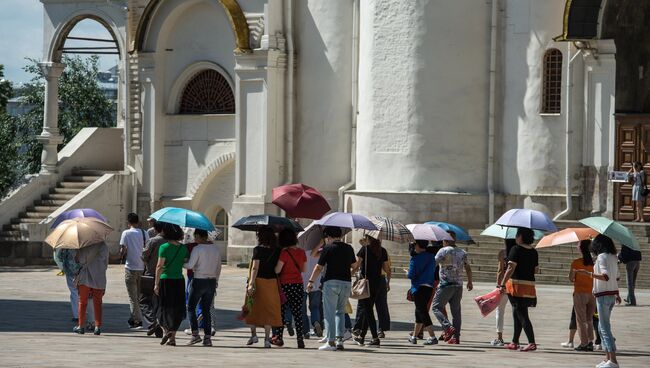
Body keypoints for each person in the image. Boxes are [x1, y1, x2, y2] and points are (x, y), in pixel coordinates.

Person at [575, 234, 622, 368]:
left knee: (604, 328)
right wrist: (617, 293)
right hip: (611, 294)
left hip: (603, 295)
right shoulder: (613, 256)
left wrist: (587, 273)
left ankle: (613, 360)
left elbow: (606, 276)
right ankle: (608, 358)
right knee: (602, 328)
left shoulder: (602, 257)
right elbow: (616, 277)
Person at [306, 226, 356, 351]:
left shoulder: (328, 248)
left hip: (331, 282)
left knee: (329, 313)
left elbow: (319, 267)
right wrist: (348, 273)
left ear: (328, 236)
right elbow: (355, 265)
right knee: (340, 312)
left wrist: (311, 281)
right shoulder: (349, 248)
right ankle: (339, 340)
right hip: (346, 283)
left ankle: (331, 341)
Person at [499, 227, 539, 352]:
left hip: (516, 286)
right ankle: (514, 341)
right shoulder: (534, 251)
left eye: (517, 235)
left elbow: (510, 269)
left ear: (521, 236)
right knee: (517, 312)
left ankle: (531, 342)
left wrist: (502, 283)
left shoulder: (515, 249)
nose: (516, 237)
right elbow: (536, 270)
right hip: (529, 286)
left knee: (522, 315)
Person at [431, 231, 473, 344]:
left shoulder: (443, 251)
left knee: (436, 307)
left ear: (447, 240)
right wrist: (470, 282)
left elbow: (433, 264)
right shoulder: (462, 252)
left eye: (444, 239)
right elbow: (468, 268)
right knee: (456, 312)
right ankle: (456, 337)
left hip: (446, 284)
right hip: (458, 285)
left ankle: (447, 327)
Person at [244, 226, 283, 348]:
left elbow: (255, 268)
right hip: (271, 283)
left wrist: (251, 283)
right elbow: (277, 269)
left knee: (251, 307)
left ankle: (254, 335)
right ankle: (267, 340)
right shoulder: (277, 250)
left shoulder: (258, 250)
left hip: (258, 282)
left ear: (260, 236)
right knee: (268, 311)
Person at [184, 229, 222, 347]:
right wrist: (216, 280)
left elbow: (190, 265)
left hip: (199, 280)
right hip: (211, 281)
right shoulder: (215, 249)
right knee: (206, 310)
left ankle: (195, 334)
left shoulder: (197, 249)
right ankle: (207, 338)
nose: (194, 239)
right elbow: (219, 267)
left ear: (200, 236)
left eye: (195, 236)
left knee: (191, 307)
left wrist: (182, 262)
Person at [351, 234, 390, 347]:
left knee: (368, 311)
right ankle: (362, 337)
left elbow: (356, 266)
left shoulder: (365, 250)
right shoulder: (382, 251)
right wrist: (388, 281)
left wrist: (349, 274)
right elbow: (386, 269)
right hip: (378, 283)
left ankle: (375, 338)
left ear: (369, 239)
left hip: (366, 283)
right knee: (368, 309)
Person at [154, 223, 188, 346]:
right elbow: (184, 262)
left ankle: (166, 331)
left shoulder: (164, 247)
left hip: (165, 280)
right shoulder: (183, 248)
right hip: (179, 280)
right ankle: (172, 336)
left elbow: (159, 266)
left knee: (163, 307)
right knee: (177, 308)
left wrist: (156, 284)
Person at [272, 229, 307, 348]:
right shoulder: (302, 252)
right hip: (298, 285)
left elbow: (277, 270)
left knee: (281, 313)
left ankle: (279, 338)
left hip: (284, 285)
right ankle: (300, 339)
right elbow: (303, 269)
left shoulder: (284, 253)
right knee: (298, 313)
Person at [119, 212, 149, 329]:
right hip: (141, 267)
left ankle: (137, 321)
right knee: (138, 295)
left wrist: (121, 255)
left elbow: (123, 249)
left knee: (132, 296)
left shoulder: (126, 233)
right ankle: (133, 318)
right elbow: (147, 248)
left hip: (130, 267)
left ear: (128, 222)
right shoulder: (144, 233)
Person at [73, 241, 109, 336]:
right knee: (98, 302)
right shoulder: (103, 245)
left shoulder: (84, 245)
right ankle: (97, 327)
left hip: (85, 276)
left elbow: (79, 260)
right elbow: (106, 263)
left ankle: (81, 326)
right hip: (99, 276)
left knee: (82, 301)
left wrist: (78, 252)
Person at [407, 240, 438, 345]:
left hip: (418, 287)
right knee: (419, 311)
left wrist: (407, 272)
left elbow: (411, 275)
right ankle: (414, 336)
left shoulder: (415, 259)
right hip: (429, 286)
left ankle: (432, 336)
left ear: (418, 246)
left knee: (422, 312)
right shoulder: (431, 257)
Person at [54, 248, 94, 327]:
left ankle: (77, 315)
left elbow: (58, 257)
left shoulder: (65, 246)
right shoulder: (83, 245)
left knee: (74, 292)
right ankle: (85, 313)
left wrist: (63, 267)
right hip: (82, 270)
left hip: (70, 270)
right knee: (84, 292)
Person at [569, 240, 596, 351]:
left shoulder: (576, 262)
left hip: (580, 293)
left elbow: (571, 278)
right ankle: (590, 342)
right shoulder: (594, 263)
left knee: (580, 320)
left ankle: (584, 343)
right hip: (592, 294)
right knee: (589, 319)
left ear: (580, 248)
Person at [141, 220, 166, 337]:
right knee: (159, 302)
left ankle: (153, 322)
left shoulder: (153, 241)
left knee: (144, 301)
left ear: (155, 229)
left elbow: (144, 256)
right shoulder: (169, 242)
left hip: (150, 273)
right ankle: (158, 326)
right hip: (165, 276)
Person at [492, 238, 516, 346]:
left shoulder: (502, 253)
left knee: (500, 310)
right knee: (517, 311)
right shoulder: (517, 252)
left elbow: (500, 270)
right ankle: (516, 338)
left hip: (504, 285)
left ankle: (499, 337)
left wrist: (499, 285)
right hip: (515, 285)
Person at [302, 243, 324, 338]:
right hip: (316, 282)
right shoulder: (321, 253)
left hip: (302, 283)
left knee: (302, 309)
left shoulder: (302, 251)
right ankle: (316, 322)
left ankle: (305, 331)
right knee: (315, 307)